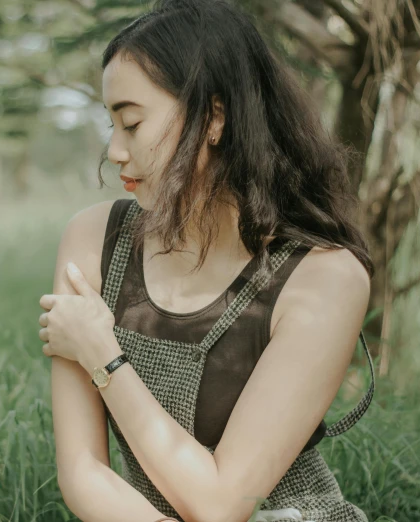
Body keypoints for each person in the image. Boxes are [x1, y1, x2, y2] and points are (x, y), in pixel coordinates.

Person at [37, 0, 376, 520]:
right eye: (111, 123)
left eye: (131, 123)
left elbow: (223, 504)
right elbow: (82, 471)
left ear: (214, 117)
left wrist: (103, 355)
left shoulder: (323, 278)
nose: (114, 151)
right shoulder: (93, 240)